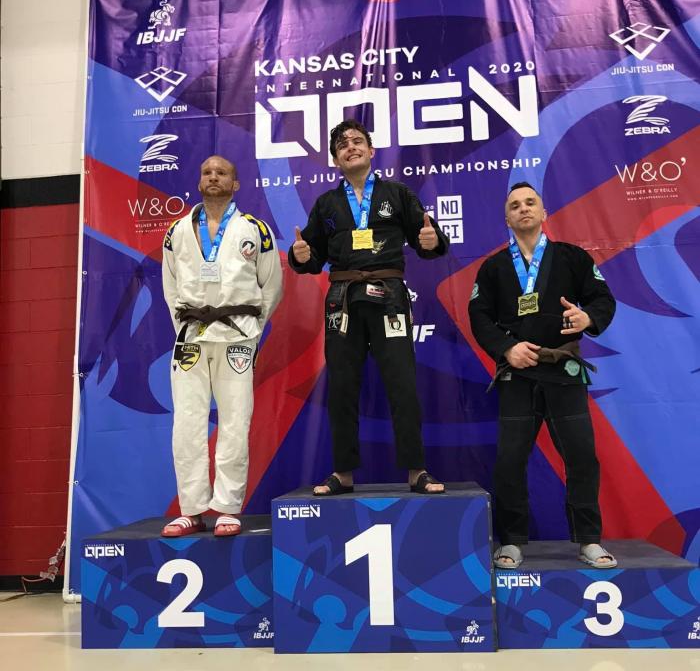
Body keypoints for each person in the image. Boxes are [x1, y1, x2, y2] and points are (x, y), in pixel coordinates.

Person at [288, 119, 449, 496]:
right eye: (342, 145)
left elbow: (427, 240)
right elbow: (311, 257)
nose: (351, 147)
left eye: (357, 141)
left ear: (371, 151)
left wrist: (432, 240)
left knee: (402, 383)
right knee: (342, 387)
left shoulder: (397, 193)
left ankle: (417, 471)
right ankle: (342, 473)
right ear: (335, 160)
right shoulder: (326, 204)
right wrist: (301, 256)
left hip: (389, 296)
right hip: (342, 300)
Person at [468, 182, 616, 568]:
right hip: (518, 374)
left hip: (563, 371)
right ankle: (512, 541)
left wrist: (588, 317)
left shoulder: (572, 258)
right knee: (510, 460)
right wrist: (506, 348)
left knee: (581, 457)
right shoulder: (494, 268)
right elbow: (479, 317)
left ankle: (588, 540)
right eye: (515, 205)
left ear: (544, 211)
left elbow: (602, 299)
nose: (523, 209)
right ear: (507, 218)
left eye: (530, 202)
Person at [161, 155, 282, 537]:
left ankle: (228, 507)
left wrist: (253, 330)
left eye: (222, 173)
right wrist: (184, 327)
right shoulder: (177, 231)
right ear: (199, 181)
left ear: (235, 184)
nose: (213, 177)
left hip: (238, 335)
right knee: (187, 422)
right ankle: (192, 509)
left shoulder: (254, 230)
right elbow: (170, 287)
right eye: (207, 172)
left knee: (234, 421)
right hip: (191, 335)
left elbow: (271, 285)